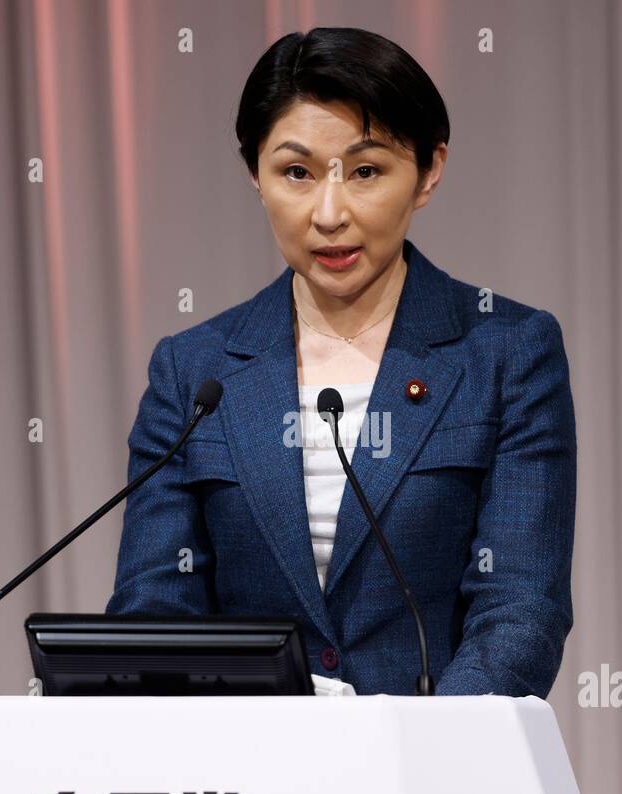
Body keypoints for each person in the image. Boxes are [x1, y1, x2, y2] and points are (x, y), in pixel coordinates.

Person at [106, 26, 576, 697]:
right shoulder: (194, 373)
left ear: (428, 170)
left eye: (366, 171)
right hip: (252, 776)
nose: (330, 213)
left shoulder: (507, 353)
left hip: (433, 772)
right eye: (296, 172)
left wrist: (420, 750)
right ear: (255, 175)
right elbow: (155, 612)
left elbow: (521, 608)